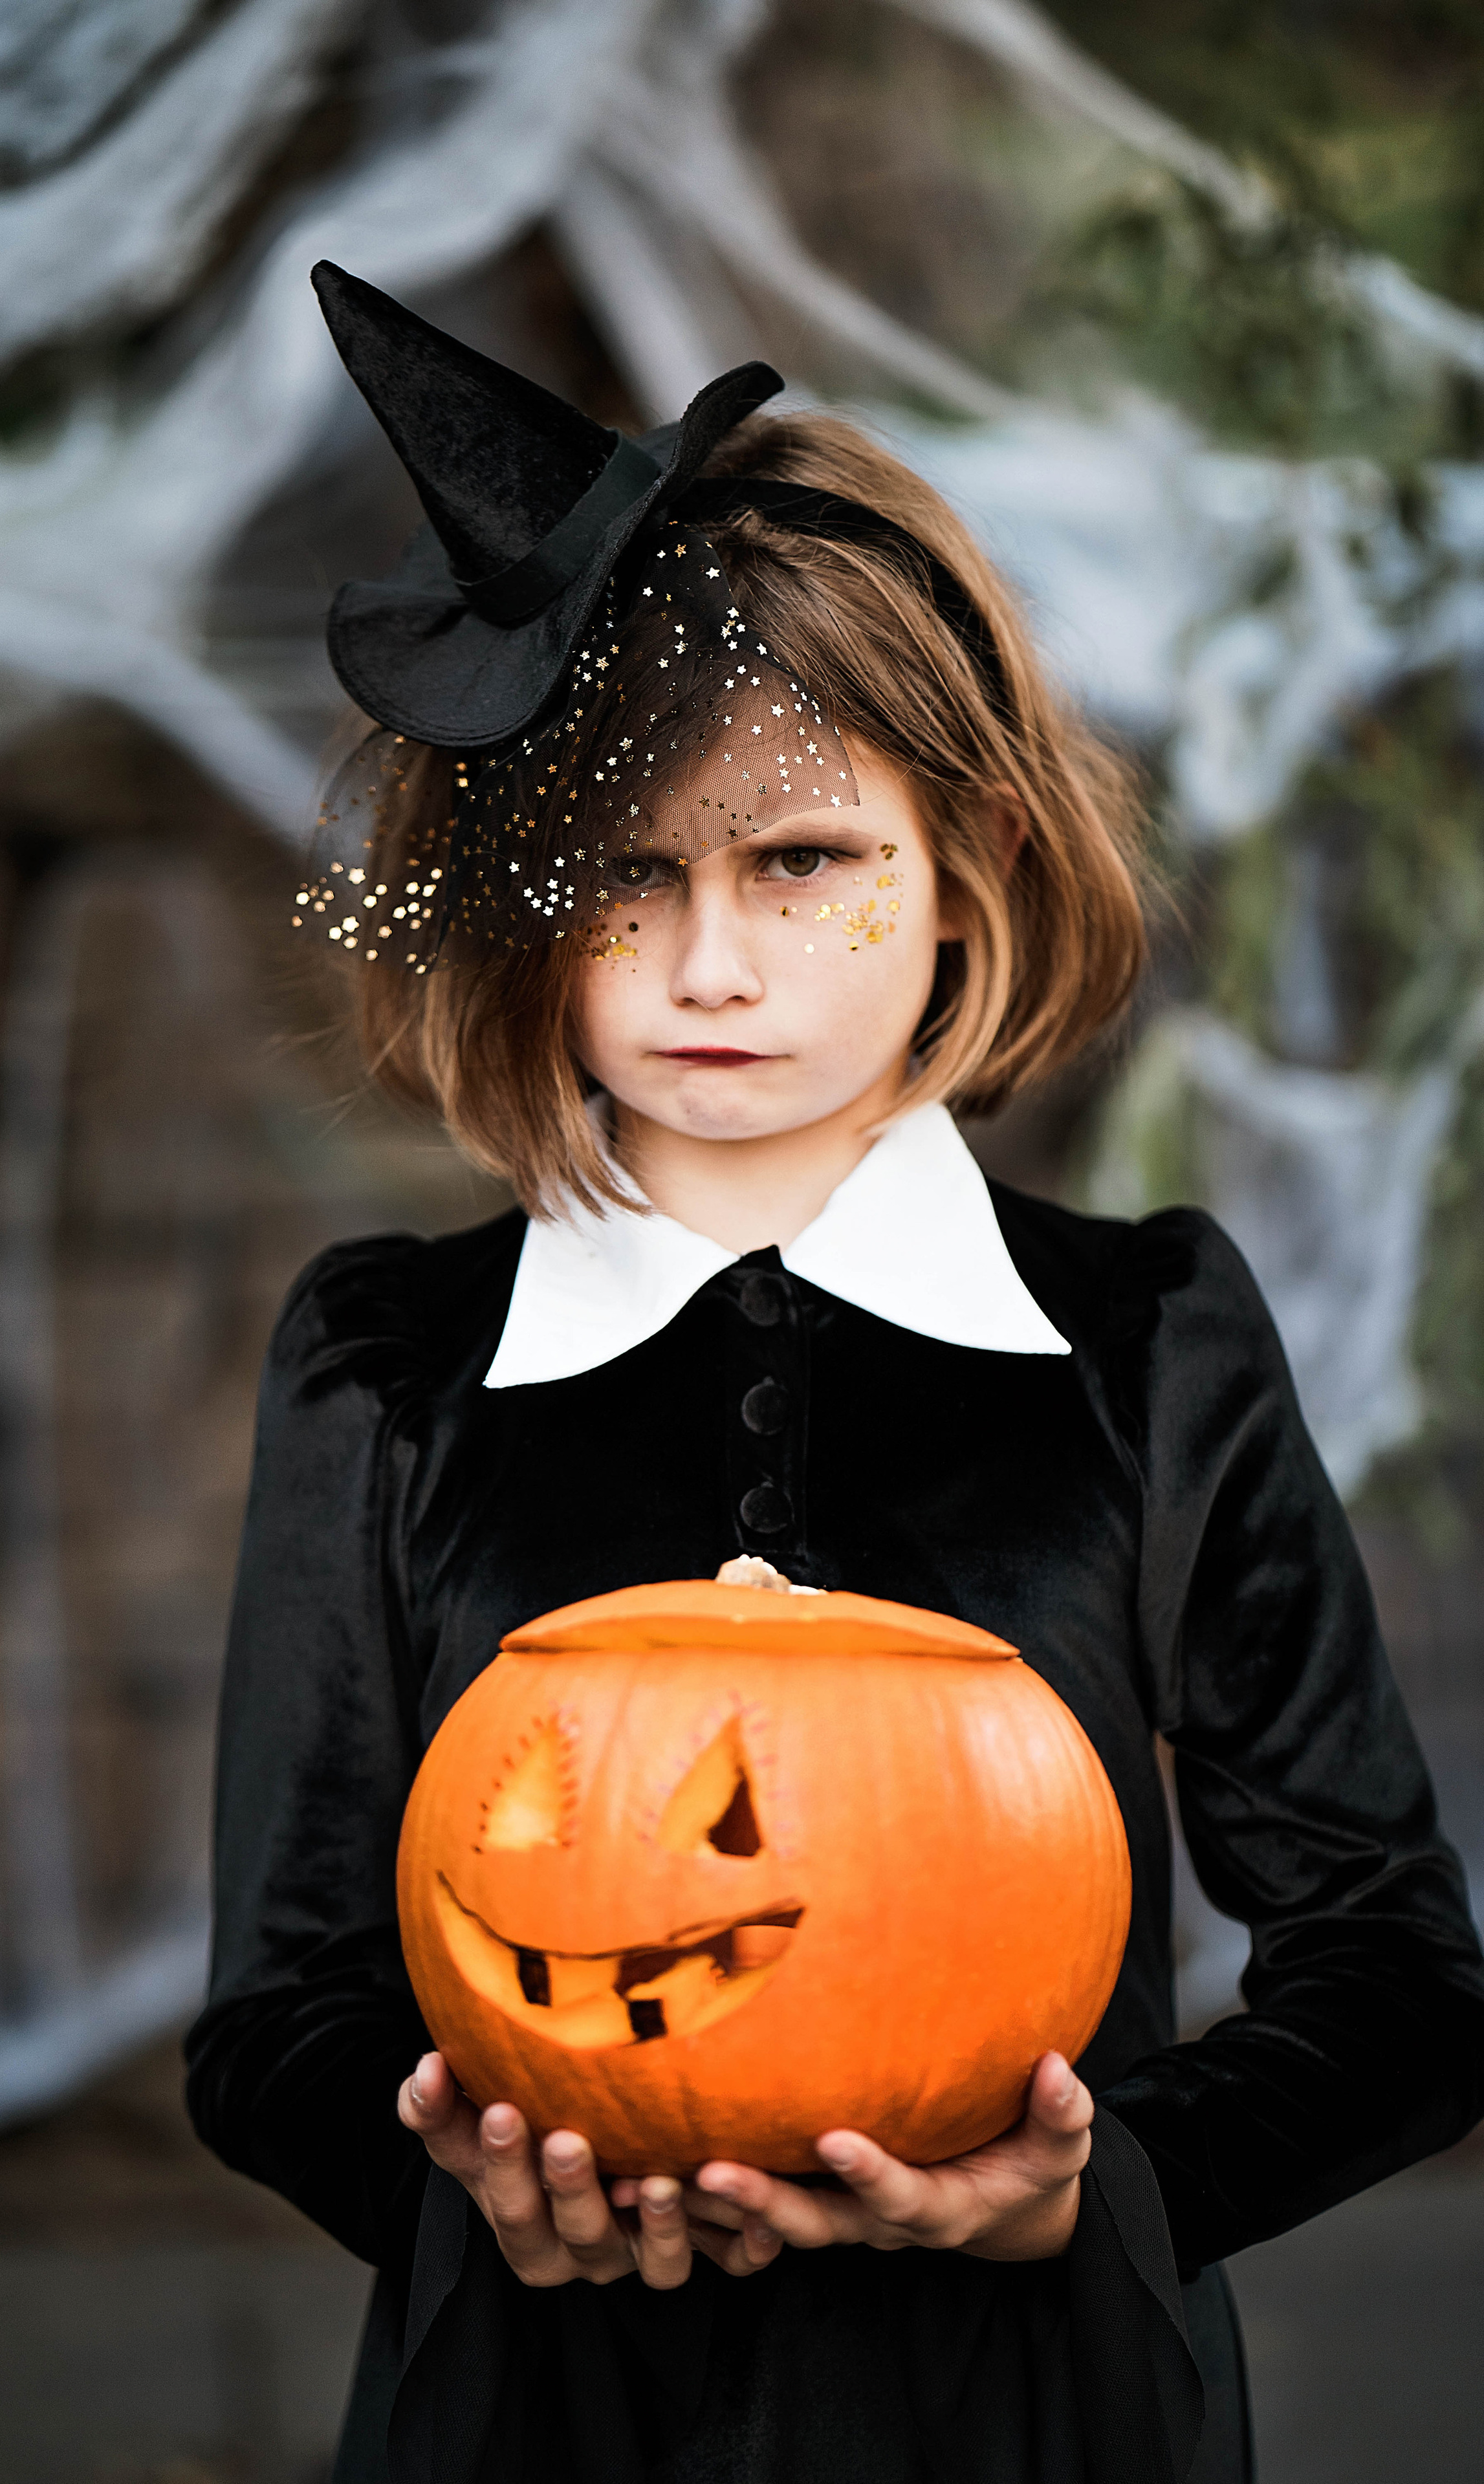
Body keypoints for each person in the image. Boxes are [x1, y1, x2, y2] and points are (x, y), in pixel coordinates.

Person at [185, 265, 1484, 2484]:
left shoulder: (1142, 1339)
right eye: (626, 876)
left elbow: (1396, 1977)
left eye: (807, 864)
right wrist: (458, 2178)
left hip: (1046, 2407)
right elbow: (281, 2009)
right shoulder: (394, 1364)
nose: (714, 964)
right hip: (538, 2412)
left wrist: (1104, 2180)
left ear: (963, 874)